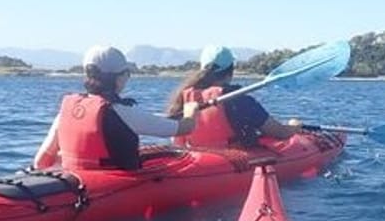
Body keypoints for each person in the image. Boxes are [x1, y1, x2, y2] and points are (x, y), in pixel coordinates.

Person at [34, 45, 199, 171]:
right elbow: (183, 128)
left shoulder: (66, 112)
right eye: (126, 74)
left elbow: (40, 162)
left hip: (74, 180)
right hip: (112, 187)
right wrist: (191, 110)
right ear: (119, 78)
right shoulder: (123, 111)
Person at [165, 45, 301, 148]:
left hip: (196, 155)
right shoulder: (240, 99)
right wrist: (294, 126)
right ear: (231, 71)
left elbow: (176, 142)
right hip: (231, 160)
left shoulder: (184, 97)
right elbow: (280, 132)